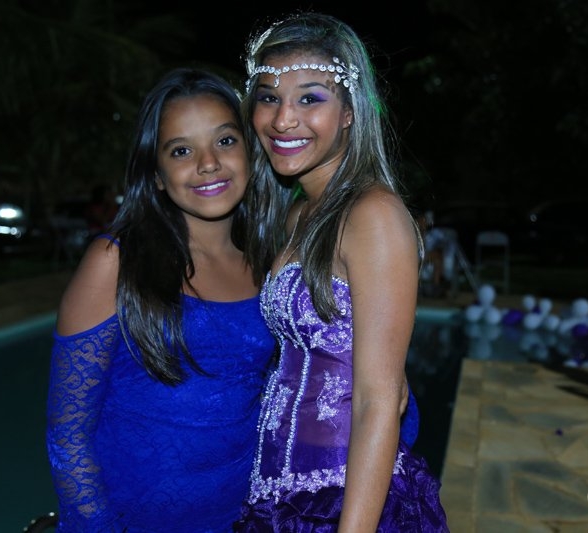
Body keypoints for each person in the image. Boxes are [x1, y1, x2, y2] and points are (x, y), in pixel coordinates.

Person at [236, 12, 449, 531]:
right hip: (276, 498)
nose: (283, 120)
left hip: (343, 501)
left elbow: (379, 401)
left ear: (350, 112)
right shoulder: (296, 212)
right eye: (268, 97)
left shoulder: (373, 215)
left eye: (310, 98)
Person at [45, 68, 278, 532]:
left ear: (251, 153)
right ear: (155, 173)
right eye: (181, 150)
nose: (208, 163)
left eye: (225, 141)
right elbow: (68, 435)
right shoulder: (116, 261)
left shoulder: (268, 263)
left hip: (243, 515)